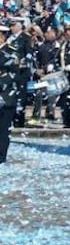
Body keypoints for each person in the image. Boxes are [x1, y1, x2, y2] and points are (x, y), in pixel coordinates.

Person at [0, 33, 17, 164]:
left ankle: (1, 156)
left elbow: (14, 74)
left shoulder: (10, 51)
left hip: (6, 96)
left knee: (3, 128)